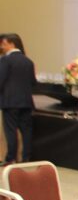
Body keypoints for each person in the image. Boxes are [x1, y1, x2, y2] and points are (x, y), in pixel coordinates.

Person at [0, 33, 35, 164]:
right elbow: (33, 82)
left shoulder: (5, 60)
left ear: (11, 44)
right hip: (26, 101)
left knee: (10, 131)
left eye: (3, 44)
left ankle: (11, 158)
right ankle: (26, 157)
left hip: (10, 101)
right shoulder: (28, 61)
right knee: (26, 131)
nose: (2, 47)